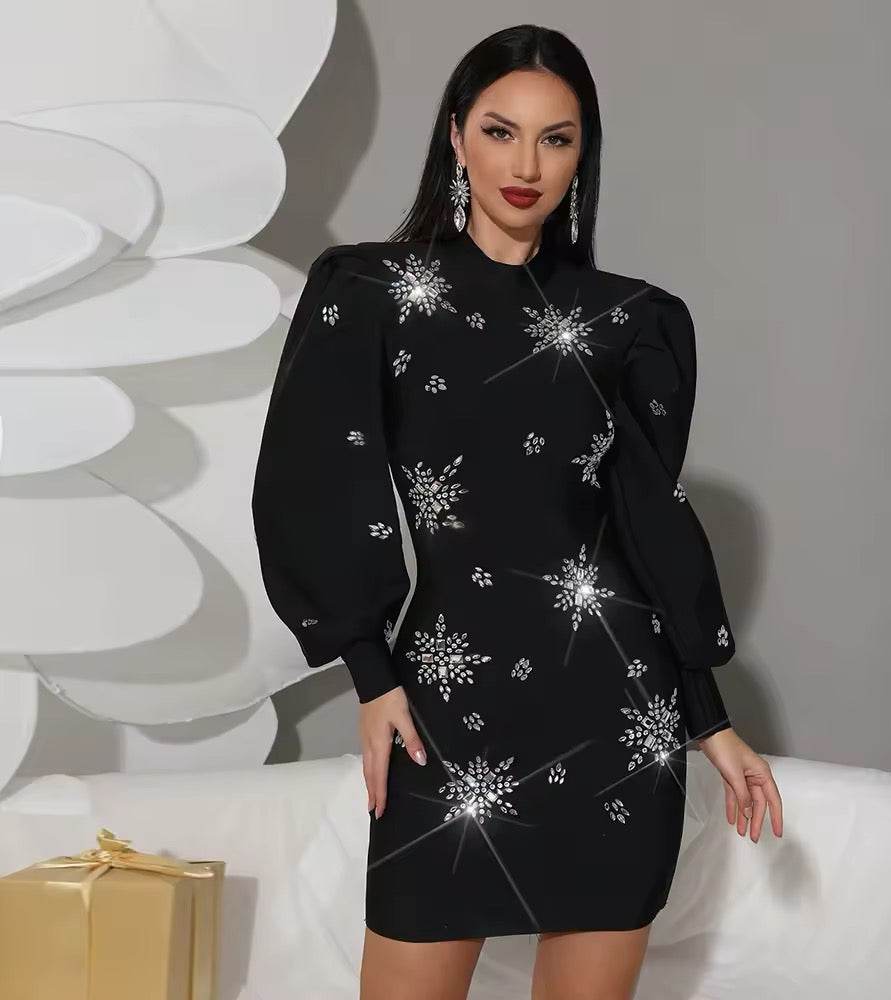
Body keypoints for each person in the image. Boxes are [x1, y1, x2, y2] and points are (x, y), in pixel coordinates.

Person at [252, 22, 782, 1000]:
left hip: (615, 706)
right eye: (501, 131)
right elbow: (313, 478)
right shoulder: (369, 293)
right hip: (443, 702)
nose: (526, 165)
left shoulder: (631, 322)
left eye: (556, 138)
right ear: (456, 135)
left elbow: (644, 522)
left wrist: (710, 720)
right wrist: (370, 674)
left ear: (583, 153)